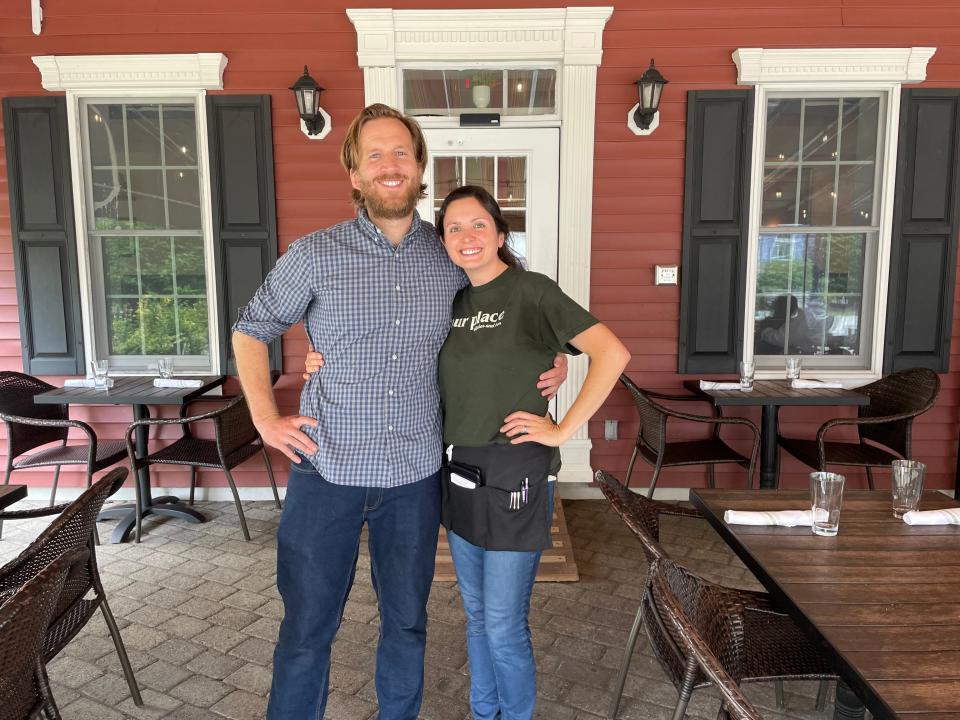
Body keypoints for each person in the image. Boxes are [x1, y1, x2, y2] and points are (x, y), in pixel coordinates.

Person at [231, 104, 566, 720]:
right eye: (375, 155)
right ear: (355, 175)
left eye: (401, 154)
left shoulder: (450, 259)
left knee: (407, 624)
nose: (390, 166)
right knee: (307, 630)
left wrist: (552, 359)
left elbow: (506, 318)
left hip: (412, 476)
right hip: (325, 468)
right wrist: (264, 419)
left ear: (420, 171)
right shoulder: (314, 255)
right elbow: (252, 329)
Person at [307, 185, 630, 719]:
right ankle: (484, 713)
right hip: (456, 468)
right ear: (443, 242)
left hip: (516, 473)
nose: (466, 237)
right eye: (453, 228)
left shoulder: (532, 291)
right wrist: (320, 361)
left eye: (478, 224)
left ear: (501, 233)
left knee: (503, 622)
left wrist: (563, 429)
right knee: (476, 615)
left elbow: (611, 352)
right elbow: (390, 347)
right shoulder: (448, 296)